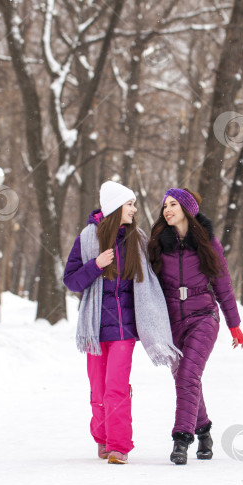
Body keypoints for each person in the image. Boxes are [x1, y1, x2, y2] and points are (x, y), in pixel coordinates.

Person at [64, 181, 179, 465]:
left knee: (116, 385)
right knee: (98, 389)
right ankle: (102, 439)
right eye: (129, 204)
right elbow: (71, 281)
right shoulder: (87, 238)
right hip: (94, 327)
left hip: (125, 328)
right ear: (116, 207)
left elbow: (155, 274)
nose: (134, 209)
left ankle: (119, 446)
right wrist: (96, 265)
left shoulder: (137, 240)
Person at [148, 187, 243, 465]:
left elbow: (223, 284)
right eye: (165, 205)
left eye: (173, 204)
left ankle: (181, 440)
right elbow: (147, 287)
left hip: (203, 316)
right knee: (184, 378)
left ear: (188, 209)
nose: (167, 209)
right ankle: (204, 431)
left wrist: (233, 324)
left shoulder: (207, 243)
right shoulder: (157, 243)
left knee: (188, 374)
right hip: (172, 322)